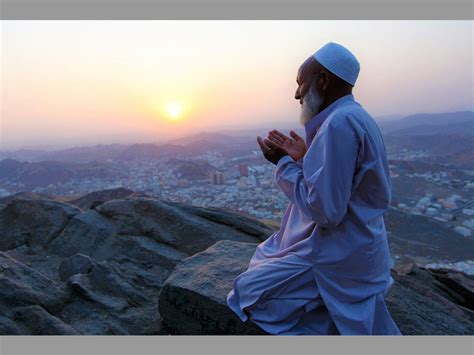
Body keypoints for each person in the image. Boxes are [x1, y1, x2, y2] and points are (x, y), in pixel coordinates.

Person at [226, 42, 401, 335]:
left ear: (323, 80)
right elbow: (343, 184)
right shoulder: (354, 117)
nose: (297, 94)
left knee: (247, 294)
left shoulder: (338, 125)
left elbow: (326, 212)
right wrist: (306, 157)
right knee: (264, 261)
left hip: (338, 255)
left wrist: (282, 163)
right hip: (360, 250)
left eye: (300, 83)